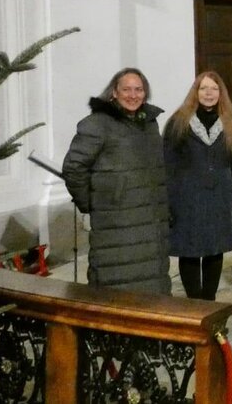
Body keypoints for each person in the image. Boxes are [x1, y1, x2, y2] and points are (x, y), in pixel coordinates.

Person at [62, 68, 171, 294]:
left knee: (152, 287)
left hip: (150, 222)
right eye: (126, 89)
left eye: (139, 89)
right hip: (116, 222)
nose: (133, 95)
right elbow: (74, 168)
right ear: (114, 92)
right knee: (116, 287)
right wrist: (91, 202)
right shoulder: (98, 124)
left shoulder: (149, 123)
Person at [163, 71, 232, 301]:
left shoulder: (231, 123)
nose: (209, 93)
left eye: (214, 89)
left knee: (215, 249)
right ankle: (194, 303)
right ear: (195, 92)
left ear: (221, 93)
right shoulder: (179, 122)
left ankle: (209, 301)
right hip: (187, 196)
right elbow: (168, 164)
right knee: (189, 250)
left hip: (220, 194)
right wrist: (168, 202)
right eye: (204, 88)